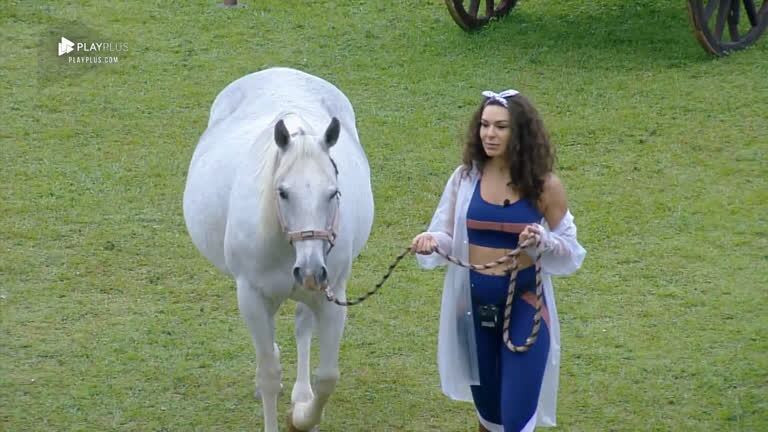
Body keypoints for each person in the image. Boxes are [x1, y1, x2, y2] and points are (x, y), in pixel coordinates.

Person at [411, 89, 586, 432]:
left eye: (501, 127)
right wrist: (432, 241)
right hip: (472, 309)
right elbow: (448, 234)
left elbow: (571, 250)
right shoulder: (465, 178)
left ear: (519, 132)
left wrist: (543, 240)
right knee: (489, 417)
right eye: (484, 125)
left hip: (524, 306)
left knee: (516, 417)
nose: (489, 134)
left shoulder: (545, 186)